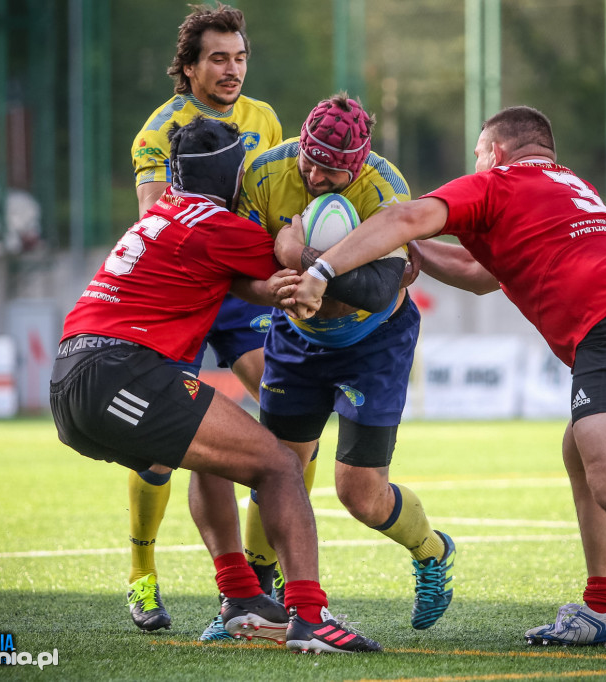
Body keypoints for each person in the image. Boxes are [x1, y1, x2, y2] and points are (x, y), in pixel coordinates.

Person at [281, 105, 606, 658]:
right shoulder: (570, 186)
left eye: (478, 154)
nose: (475, 164)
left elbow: (404, 217)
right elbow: (482, 278)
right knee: (582, 451)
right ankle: (602, 607)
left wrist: (320, 268)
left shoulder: (498, 183)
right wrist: (410, 250)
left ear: (496, 153)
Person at [51, 115, 380, 654]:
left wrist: (272, 286)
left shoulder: (164, 213)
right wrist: (317, 249)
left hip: (73, 379)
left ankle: (242, 598)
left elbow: (246, 282)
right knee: (277, 463)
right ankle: (310, 616)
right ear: (232, 175)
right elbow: (297, 260)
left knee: (217, 455)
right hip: (121, 373)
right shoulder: (218, 226)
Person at [197, 93, 456, 641]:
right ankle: (252, 601)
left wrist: (295, 255)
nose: (315, 174)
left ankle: (431, 550)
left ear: (358, 164)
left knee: (359, 493)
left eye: (332, 169)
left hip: (375, 342)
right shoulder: (266, 171)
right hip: (297, 338)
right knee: (274, 469)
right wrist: (287, 273)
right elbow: (238, 260)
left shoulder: (386, 189)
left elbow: (379, 287)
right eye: (309, 160)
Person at [126, 3, 284, 633]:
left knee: (287, 415)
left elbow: (277, 201)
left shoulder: (265, 119)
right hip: (187, 289)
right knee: (164, 448)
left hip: (243, 287)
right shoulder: (157, 131)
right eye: (218, 58)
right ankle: (142, 574)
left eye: (240, 57)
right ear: (187, 69)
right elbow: (152, 217)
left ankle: (254, 580)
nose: (232, 69)